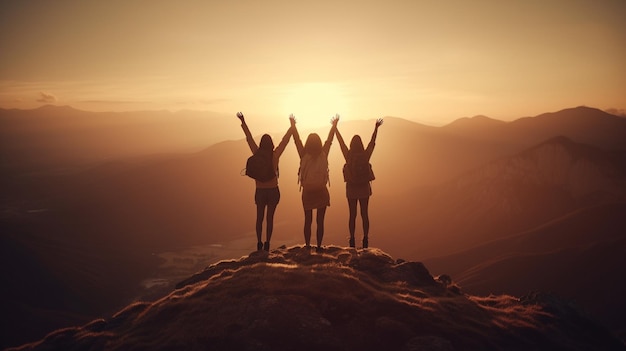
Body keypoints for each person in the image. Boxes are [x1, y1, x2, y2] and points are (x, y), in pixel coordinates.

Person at [237, 112, 293, 251]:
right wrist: (292, 127)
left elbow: (249, 138)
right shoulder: (275, 155)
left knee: (259, 218)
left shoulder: (256, 153)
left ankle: (259, 243)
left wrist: (243, 122)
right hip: (273, 190)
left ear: (261, 143)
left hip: (260, 191)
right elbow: (284, 142)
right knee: (270, 219)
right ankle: (268, 243)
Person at [291, 114, 338, 252]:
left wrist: (293, 125)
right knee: (320, 221)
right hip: (322, 191)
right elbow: (329, 140)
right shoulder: (324, 153)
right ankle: (318, 246)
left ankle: (307, 245)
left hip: (308, 192)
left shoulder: (303, 154)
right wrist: (334, 126)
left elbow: (296, 140)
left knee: (308, 220)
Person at [335, 116, 383, 248]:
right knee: (364, 214)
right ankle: (365, 239)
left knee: (352, 215)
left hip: (351, 188)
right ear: (361, 144)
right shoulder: (365, 155)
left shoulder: (348, 155)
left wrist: (335, 127)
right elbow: (372, 143)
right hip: (364, 189)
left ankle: (351, 239)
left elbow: (340, 143)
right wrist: (376, 128)